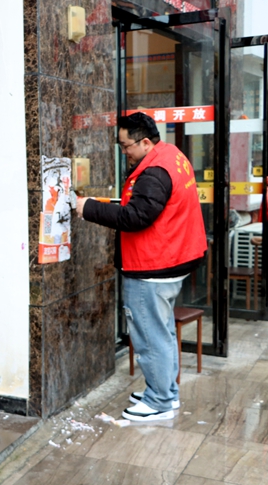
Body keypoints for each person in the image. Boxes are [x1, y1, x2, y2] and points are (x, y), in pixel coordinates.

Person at [76, 112, 206, 422]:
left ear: (145, 142)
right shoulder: (171, 155)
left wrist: (87, 208)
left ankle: (159, 401)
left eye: (126, 146)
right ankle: (166, 392)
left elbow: (136, 217)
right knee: (162, 332)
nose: (125, 152)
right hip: (173, 259)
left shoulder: (154, 172)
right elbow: (146, 207)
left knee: (150, 337)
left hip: (153, 267)